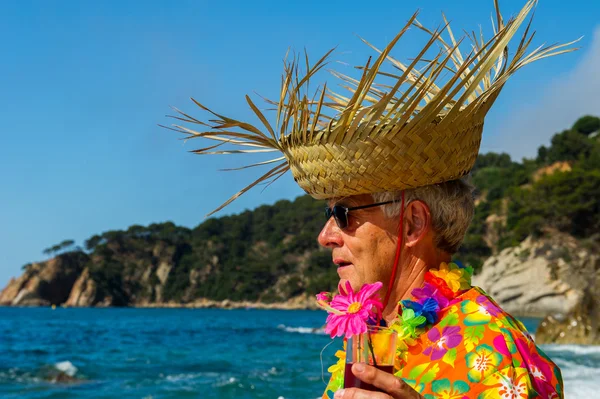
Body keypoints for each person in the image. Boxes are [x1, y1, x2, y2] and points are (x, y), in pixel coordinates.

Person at [167, 1, 577, 397]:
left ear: (414, 223)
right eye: (329, 214)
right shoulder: (375, 333)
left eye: (342, 214)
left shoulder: (494, 349)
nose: (325, 236)